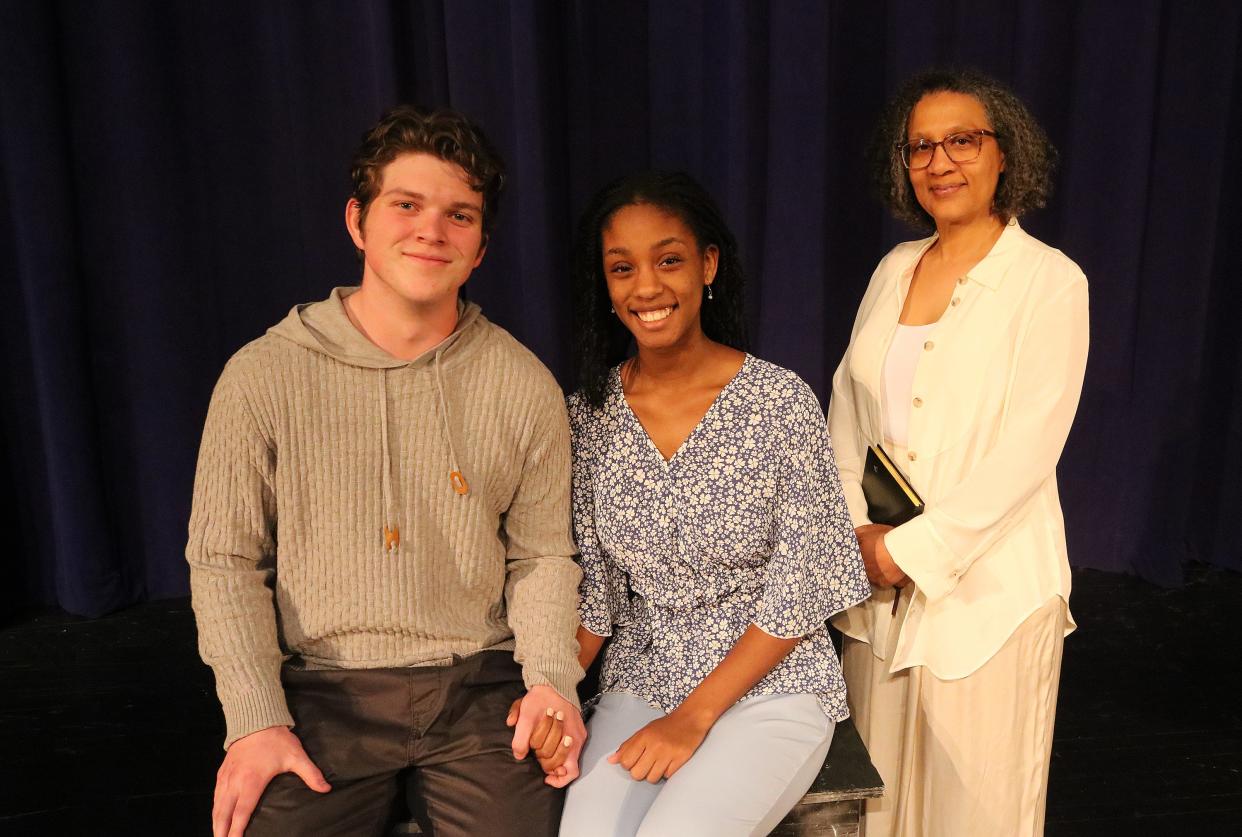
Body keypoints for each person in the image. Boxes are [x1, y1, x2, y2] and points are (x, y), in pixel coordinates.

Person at [186, 105, 586, 837]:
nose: (432, 230)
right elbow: (224, 563)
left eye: (459, 215)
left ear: (481, 247)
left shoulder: (523, 384)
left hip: (477, 686)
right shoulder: (261, 376)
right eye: (407, 204)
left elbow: (541, 556)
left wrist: (550, 681)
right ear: (357, 221)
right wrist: (253, 720)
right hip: (325, 691)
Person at [554, 171, 871, 837]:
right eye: (622, 268)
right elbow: (598, 598)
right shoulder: (590, 414)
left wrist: (693, 717)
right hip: (644, 678)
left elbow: (797, 592)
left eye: (668, 259)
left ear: (708, 265)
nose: (646, 286)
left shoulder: (780, 403)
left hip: (772, 685)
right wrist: (548, 692)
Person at [828, 68, 1090, 836]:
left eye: (962, 141)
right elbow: (849, 412)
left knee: (973, 816)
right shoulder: (891, 270)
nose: (940, 162)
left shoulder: (1048, 282)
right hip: (879, 589)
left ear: (1004, 154)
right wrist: (858, 537)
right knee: (876, 809)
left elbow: (1027, 451)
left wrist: (910, 550)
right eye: (920, 147)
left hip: (989, 598)